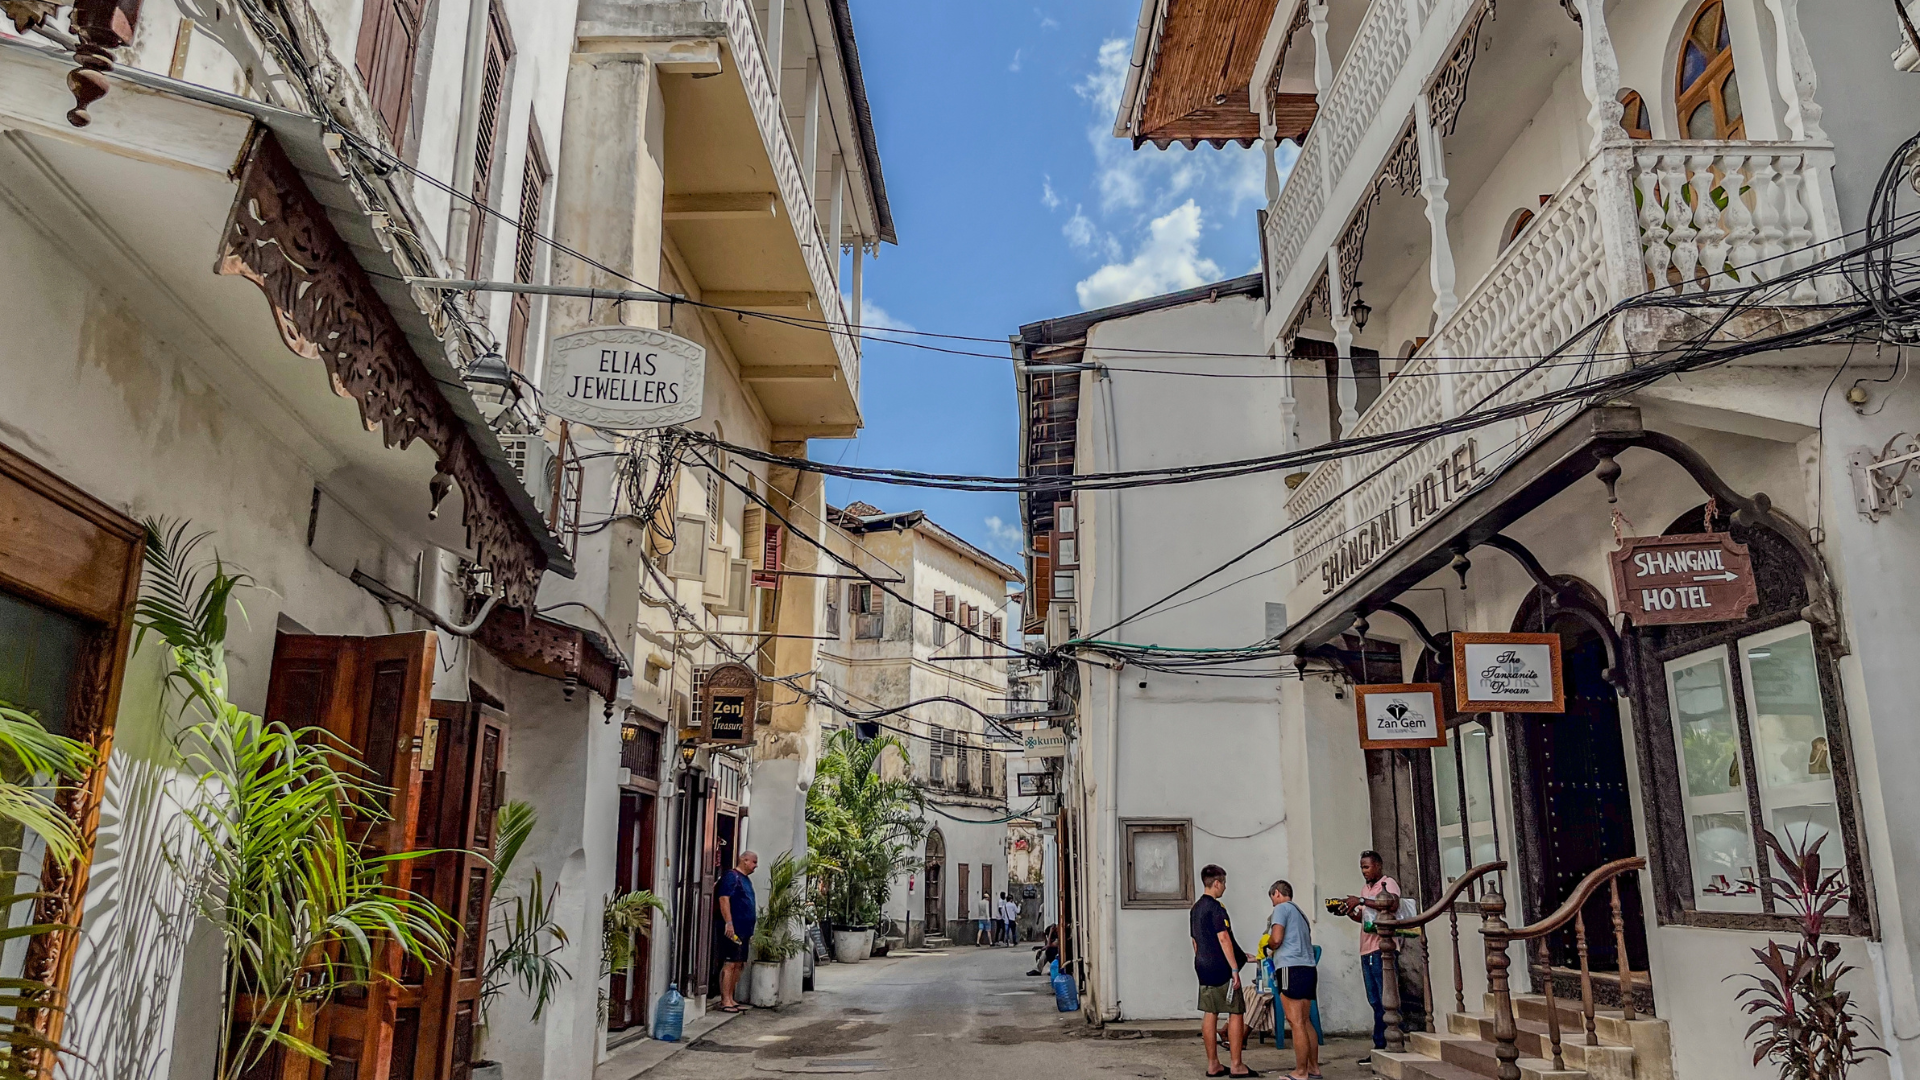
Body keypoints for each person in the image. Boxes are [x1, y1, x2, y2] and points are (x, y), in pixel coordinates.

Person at [1192, 864, 1257, 1078]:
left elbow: (1195, 942)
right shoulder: (1216, 908)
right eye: (1224, 883)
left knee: (1210, 1012)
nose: (1225, 888)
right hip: (1222, 969)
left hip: (1203, 966)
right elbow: (1223, 938)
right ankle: (1237, 1065)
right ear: (1217, 883)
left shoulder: (1196, 908)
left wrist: (1241, 954)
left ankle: (1213, 1065)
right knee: (1236, 1012)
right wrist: (1235, 968)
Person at [1342, 850, 1402, 1063]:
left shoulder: (1388, 883)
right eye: (1361, 867)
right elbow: (1365, 920)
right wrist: (1348, 911)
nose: (1364, 871)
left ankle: (1386, 1043)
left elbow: (1391, 904)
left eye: (1366, 867)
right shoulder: (1366, 889)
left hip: (1382, 949)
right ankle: (1381, 1045)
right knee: (1375, 1000)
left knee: (1386, 999)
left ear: (1378, 865)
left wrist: (1361, 900)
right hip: (1366, 949)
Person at [1267, 880, 1319, 1080]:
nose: (1273, 903)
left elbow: (1277, 938)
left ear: (1277, 893)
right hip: (1308, 968)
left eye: (1272, 899)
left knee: (1295, 1021)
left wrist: (1268, 944)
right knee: (1306, 1021)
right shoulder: (1301, 914)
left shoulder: (1281, 909)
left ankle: (1300, 1072)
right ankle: (1314, 1068)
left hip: (1290, 968)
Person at [715, 850, 760, 1012]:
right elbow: (723, 898)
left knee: (739, 963)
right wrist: (729, 923)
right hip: (733, 928)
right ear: (744, 860)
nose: (756, 866)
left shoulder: (746, 880)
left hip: (745, 929)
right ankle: (725, 999)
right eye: (754, 862)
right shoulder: (731, 877)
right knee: (730, 962)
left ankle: (731, 997)